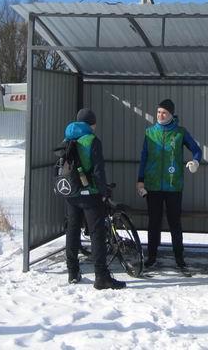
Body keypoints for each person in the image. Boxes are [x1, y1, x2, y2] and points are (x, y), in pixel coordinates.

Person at [63, 107, 126, 290]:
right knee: (97, 234)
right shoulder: (92, 140)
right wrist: (104, 193)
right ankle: (101, 277)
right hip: (90, 194)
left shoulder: (68, 138)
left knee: (72, 230)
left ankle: (72, 272)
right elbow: (98, 171)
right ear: (92, 124)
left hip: (71, 193)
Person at [137, 98, 202, 270]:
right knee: (154, 223)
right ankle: (151, 256)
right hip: (152, 186)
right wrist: (140, 180)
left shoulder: (180, 133)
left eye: (164, 112)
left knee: (175, 223)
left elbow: (196, 150)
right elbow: (144, 157)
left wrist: (195, 162)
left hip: (173, 186)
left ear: (171, 114)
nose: (160, 115)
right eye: (158, 112)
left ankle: (179, 258)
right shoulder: (150, 132)